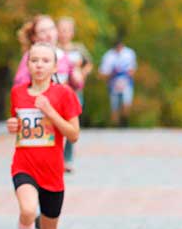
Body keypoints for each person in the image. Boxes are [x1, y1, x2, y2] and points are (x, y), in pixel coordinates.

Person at [7, 43, 81, 229]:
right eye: (34, 60)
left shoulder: (64, 94)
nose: (38, 65)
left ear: (54, 66)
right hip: (24, 165)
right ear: (28, 65)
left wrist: (50, 112)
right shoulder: (17, 93)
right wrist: (12, 125)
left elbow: (73, 135)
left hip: (52, 173)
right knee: (27, 211)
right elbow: (19, 126)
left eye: (44, 60)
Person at [57, 17, 93, 172]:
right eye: (61, 29)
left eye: (67, 30)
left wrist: (82, 75)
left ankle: (68, 158)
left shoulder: (78, 49)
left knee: (72, 125)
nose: (64, 33)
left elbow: (89, 63)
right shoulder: (53, 49)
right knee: (58, 125)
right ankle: (57, 158)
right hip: (58, 92)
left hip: (75, 93)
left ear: (72, 32)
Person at [13, 15, 78, 88]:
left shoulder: (63, 55)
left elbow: (78, 85)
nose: (49, 34)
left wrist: (77, 72)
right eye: (43, 31)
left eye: (52, 28)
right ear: (34, 37)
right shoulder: (30, 56)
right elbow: (19, 87)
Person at [99, 36, 137, 127]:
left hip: (126, 82)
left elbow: (133, 69)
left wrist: (126, 77)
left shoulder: (129, 53)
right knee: (114, 106)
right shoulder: (108, 56)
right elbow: (103, 72)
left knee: (126, 103)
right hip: (113, 84)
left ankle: (124, 121)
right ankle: (116, 125)